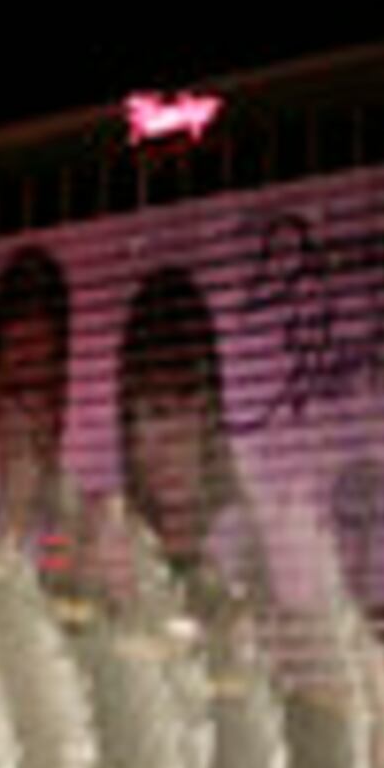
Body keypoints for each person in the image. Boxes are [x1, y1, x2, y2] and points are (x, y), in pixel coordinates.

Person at [113, 264, 264, 618]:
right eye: (157, 412)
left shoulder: (238, 542)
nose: (174, 440)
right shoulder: (116, 544)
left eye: (189, 408)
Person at [0, 246, 86, 581]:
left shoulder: (75, 520)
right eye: (20, 389)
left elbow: (61, 601)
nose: (34, 414)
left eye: (46, 388)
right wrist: (15, 514)